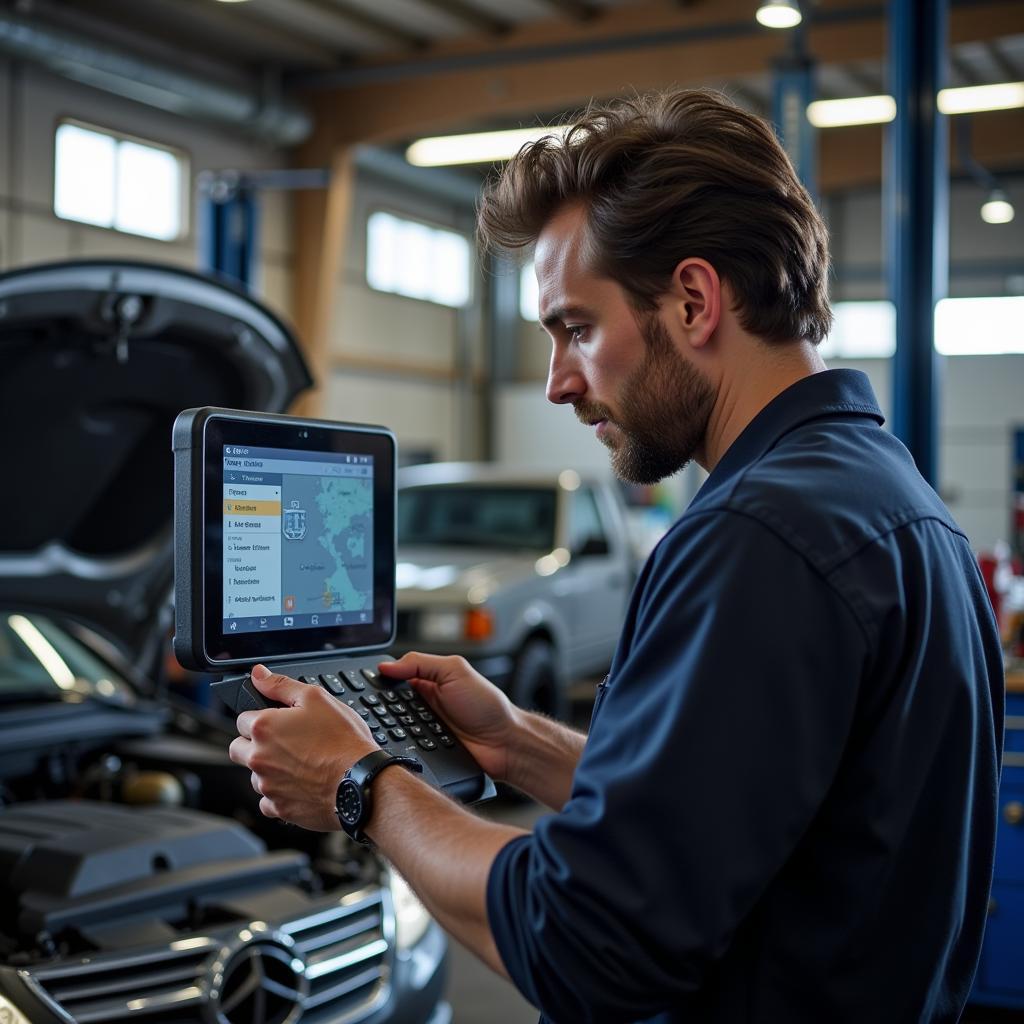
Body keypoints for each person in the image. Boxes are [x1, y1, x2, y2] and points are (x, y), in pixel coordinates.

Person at [228, 89, 1004, 1023]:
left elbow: (587, 938)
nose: (558, 382)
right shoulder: (892, 500)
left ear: (692, 299)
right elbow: (740, 815)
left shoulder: (757, 539)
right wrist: (519, 742)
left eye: (576, 328)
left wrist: (361, 784)